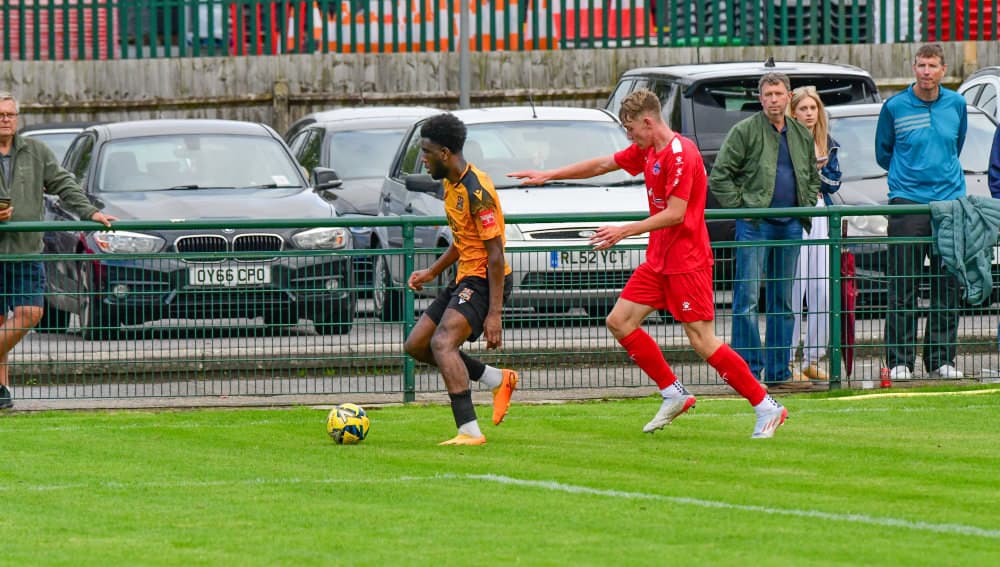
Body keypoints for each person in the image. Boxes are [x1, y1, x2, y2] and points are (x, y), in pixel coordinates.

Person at [509, 89, 788, 438]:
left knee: (702, 340)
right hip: (658, 259)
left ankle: (766, 405)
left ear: (647, 122)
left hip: (687, 262)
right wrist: (549, 175)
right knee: (619, 321)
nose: (629, 136)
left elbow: (676, 213)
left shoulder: (681, 154)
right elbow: (603, 164)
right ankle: (673, 392)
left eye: (630, 129)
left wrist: (623, 230)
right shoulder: (647, 149)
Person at [401, 113, 518, 446]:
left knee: (442, 343)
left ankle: (469, 431)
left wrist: (494, 313)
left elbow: (495, 255)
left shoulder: (477, 190)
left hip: (484, 280)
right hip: (465, 276)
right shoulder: (450, 184)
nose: (423, 159)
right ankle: (495, 378)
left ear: (445, 153)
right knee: (417, 345)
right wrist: (432, 272)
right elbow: (463, 239)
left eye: (426, 152)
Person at [0, 92, 116, 410]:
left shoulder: (35, 151)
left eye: (10, 114)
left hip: (26, 251)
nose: (5, 119)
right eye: (0, 115)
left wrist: (90, 212)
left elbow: (64, 183)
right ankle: (2, 390)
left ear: (17, 118)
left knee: (30, 314)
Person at [708, 73, 821, 387]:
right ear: (760, 99)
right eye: (768, 94)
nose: (773, 99)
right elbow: (719, 176)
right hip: (754, 226)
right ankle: (746, 373)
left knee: (782, 302)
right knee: (746, 300)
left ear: (788, 97)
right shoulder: (744, 131)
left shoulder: (800, 133)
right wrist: (743, 208)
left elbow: (812, 175)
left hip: (791, 225)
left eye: (778, 93)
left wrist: (805, 204)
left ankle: (778, 372)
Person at [875, 44, 967, 381]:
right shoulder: (894, 106)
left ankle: (941, 360)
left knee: (948, 285)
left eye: (933, 66)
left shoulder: (957, 104)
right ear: (913, 68)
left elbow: (956, 145)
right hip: (908, 204)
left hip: (950, 205)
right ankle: (900, 361)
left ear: (944, 70)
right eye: (921, 65)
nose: (926, 71)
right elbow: (883, 153)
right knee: (902, 285)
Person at [787, 85, 843, 382]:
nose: (809, 114)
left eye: (813, 108)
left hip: (821, 213)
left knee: (822, 287)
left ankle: (813, 357)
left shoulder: (827, 141)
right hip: (796, 214)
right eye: (803, 109)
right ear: (793, 112)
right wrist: (812, 173)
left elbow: (834, 182)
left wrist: (815, 173)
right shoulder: (785, 139)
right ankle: (786, 359)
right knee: (794, 289)